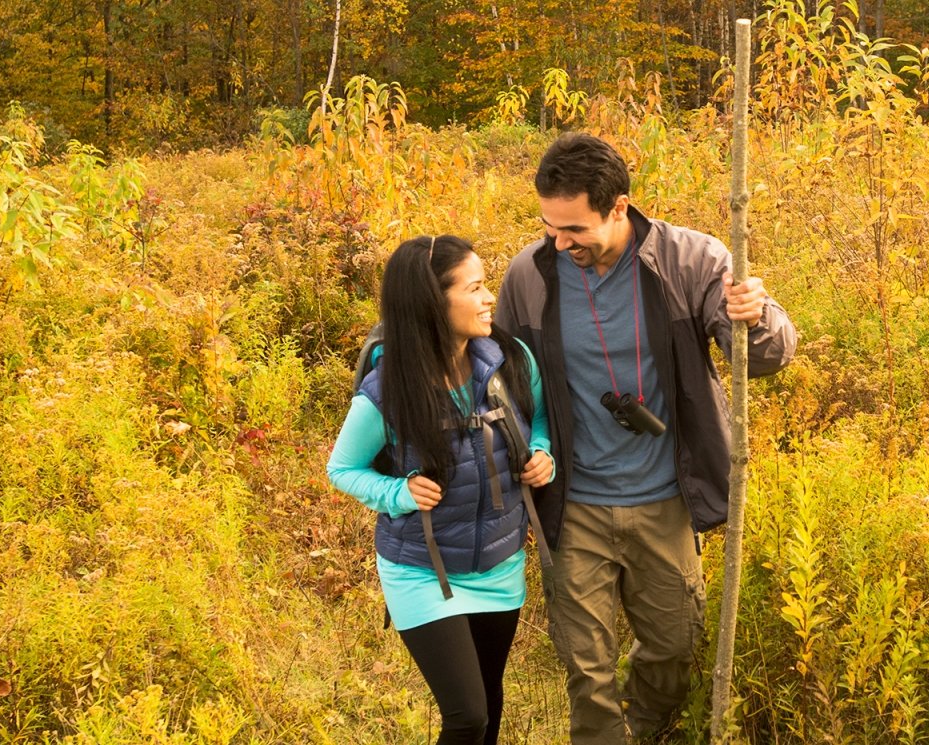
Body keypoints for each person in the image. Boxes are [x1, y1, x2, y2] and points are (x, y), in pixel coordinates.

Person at [495, 133, 798, 743]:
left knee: (673, 645)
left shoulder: (692, 260)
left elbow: (766, 358)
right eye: (550, 226)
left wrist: (755, 315)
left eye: (573, 229)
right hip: (572, 504)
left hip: (665, 500)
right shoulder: (530, 274)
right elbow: (502, 379)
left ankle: (648, 726)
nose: (559, 242)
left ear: (618, 206)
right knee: (586, 664)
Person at [328, 234, 555, 745]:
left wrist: (543, 456)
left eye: (485, 284)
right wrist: (399, 494)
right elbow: (342, 469)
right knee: (467, 715)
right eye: (474, 288)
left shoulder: (511, 362)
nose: (488, 298)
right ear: (434, 302)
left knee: (489, 702)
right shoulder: (389, 389)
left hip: (499, 564)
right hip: (421, 571)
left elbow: (539, 422)